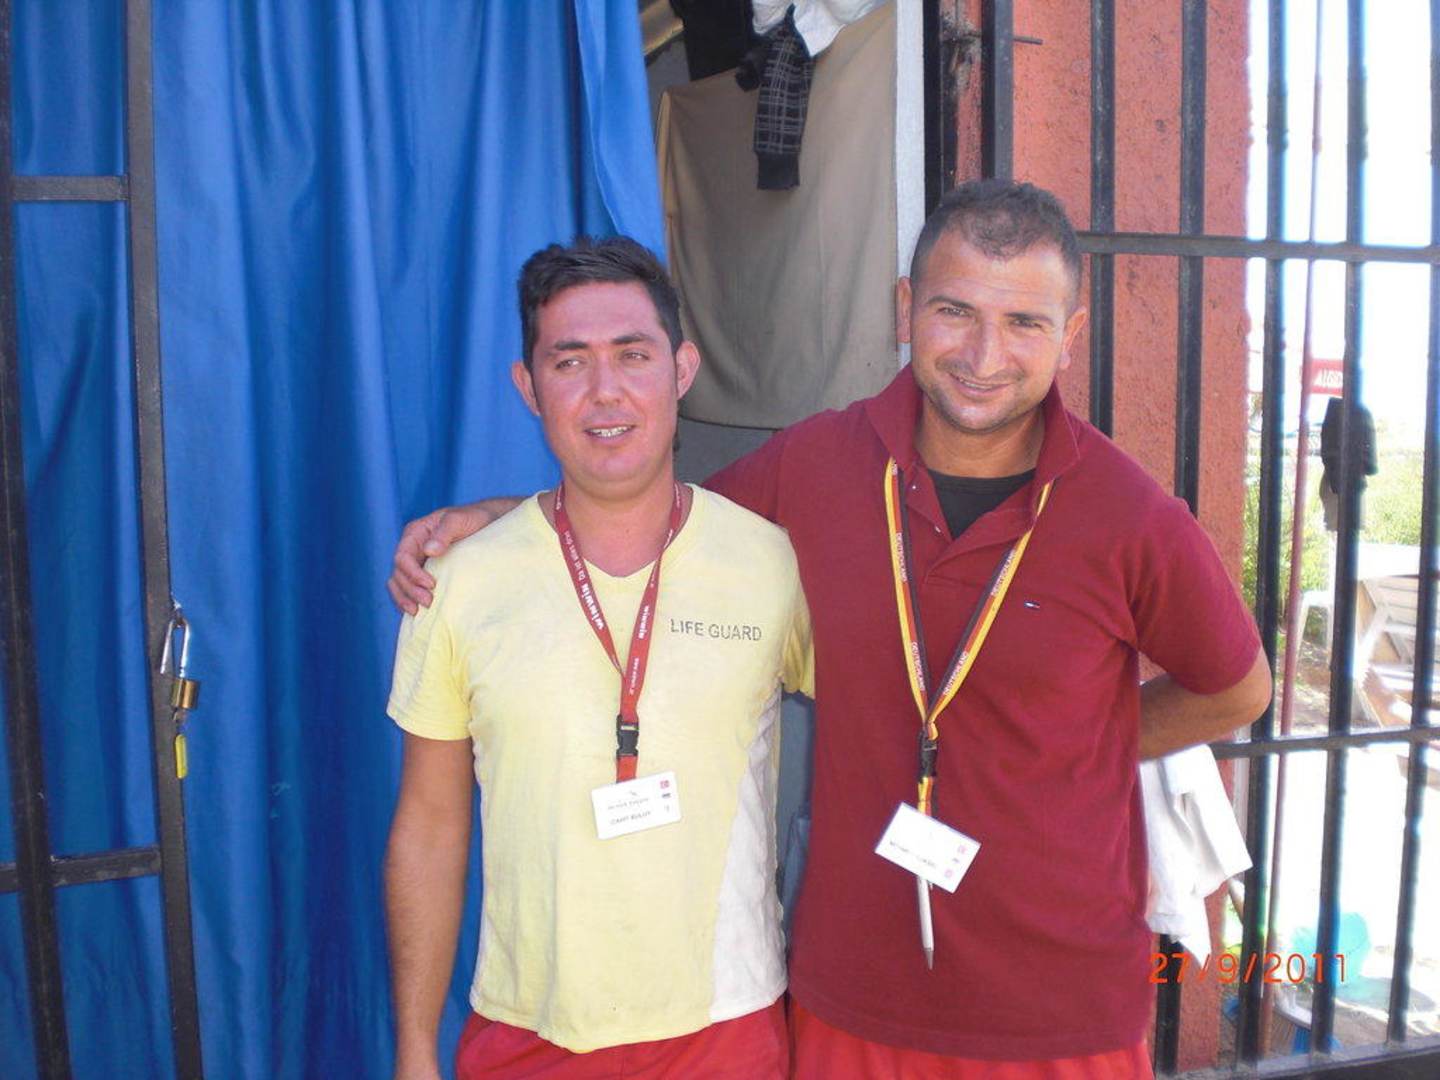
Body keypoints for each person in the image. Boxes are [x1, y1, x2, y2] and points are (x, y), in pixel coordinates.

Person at [388, 181, 1272, 1078]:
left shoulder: (1130, 515)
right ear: (904, 307)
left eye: (1024, 323)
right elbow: (647, 512)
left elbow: (1239, 688)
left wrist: (1086, 744)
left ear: (1071, 334)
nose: (984, 354)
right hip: (850, 998)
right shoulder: (816, 466)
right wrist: (503, 519)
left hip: (1059, 1009)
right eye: (954, 311)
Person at [384, 236, 811, 1080]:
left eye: (633, 354)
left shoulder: (771, 564)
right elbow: (429, 825)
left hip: (727, 1030)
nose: (605, 390)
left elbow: (892, 725)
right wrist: (413, 1053)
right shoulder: (460, 581)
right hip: (529, 1033)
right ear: (528, 388)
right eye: (570, 361)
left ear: (682, 370)